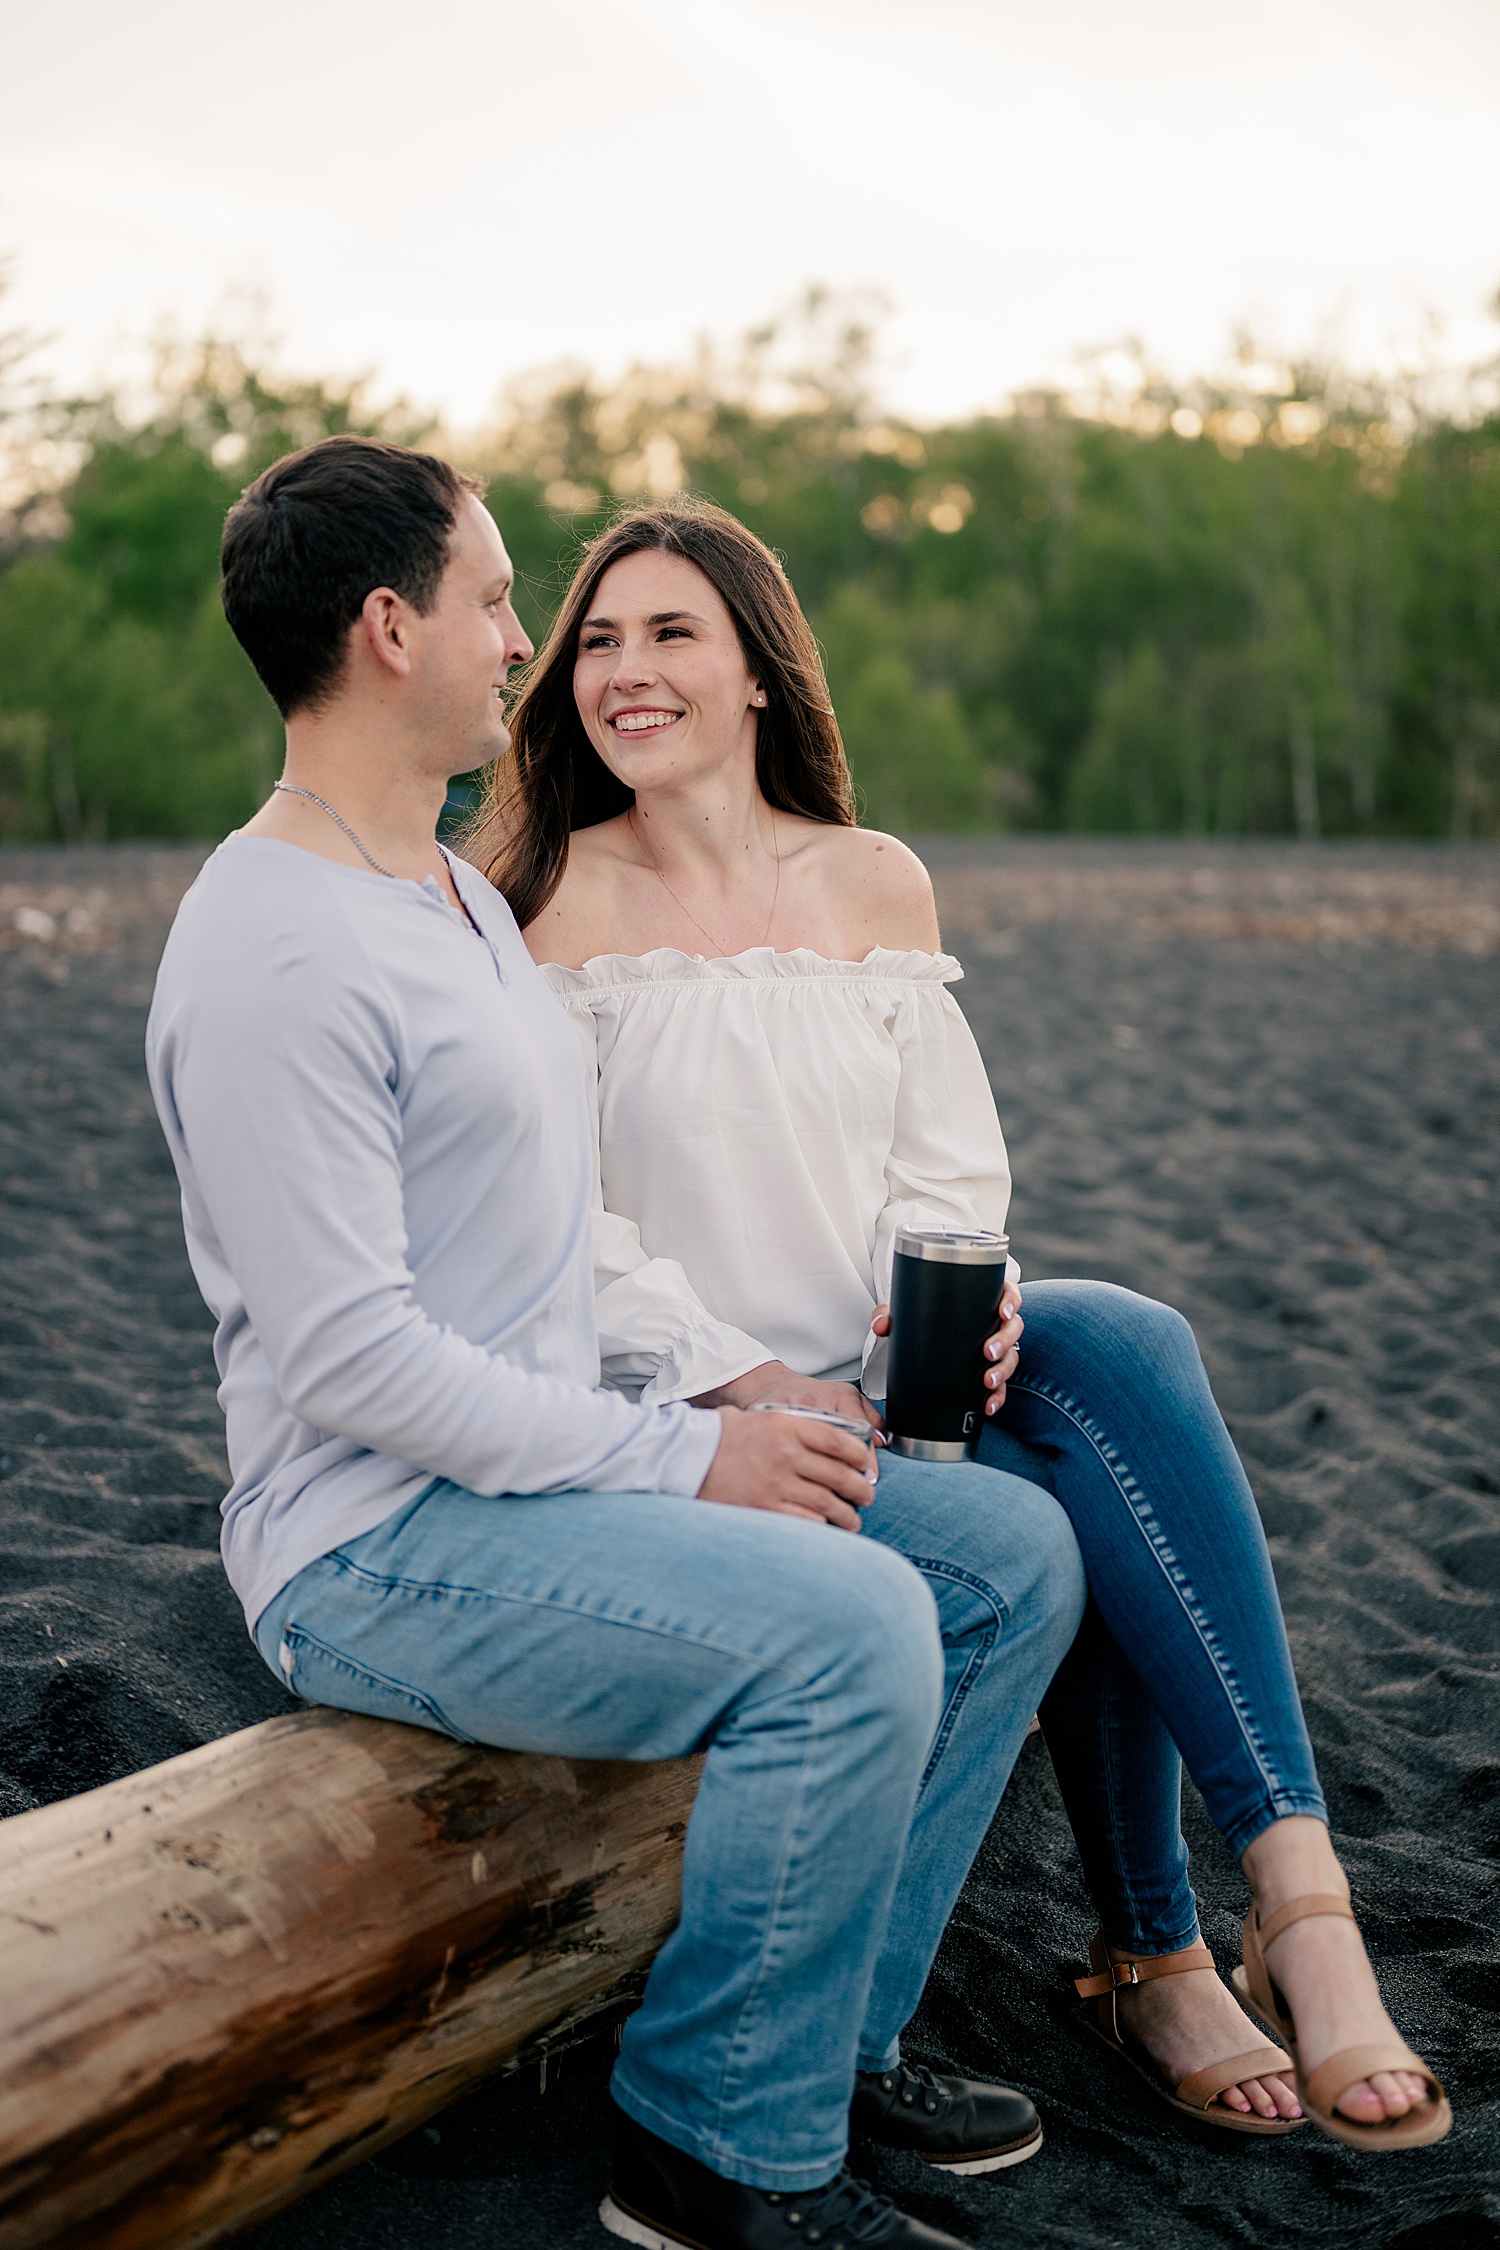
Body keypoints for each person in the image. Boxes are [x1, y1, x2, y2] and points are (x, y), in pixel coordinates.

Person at [146, 435, 1093, 2250]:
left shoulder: (434, 893)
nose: (528, 645)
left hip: (547, 1474)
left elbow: (548, 1241)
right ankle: (716, 2159)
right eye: (503, 602)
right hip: (377, 1540)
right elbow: (355, 1369)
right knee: (859, 1624)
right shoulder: (275, 947)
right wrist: (696, 1454)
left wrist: (719, 1383)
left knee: (1007, 1558)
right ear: (387, 627)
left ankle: (834, 2046)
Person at [470, 495, 1450, 2153]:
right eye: (599, 642)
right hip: (698, 1423)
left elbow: (948, 1171)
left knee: (1115, 1345)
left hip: (887, 1383)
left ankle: (1294, 1895)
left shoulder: (875, 879)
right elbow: (567, 1230)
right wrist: (749, 1376)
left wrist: (965, 1291)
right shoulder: (548, 900)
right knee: (1062, 1499)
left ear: (762, 673)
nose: (625, 672)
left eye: (672, 633)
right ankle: (1159, 1947)